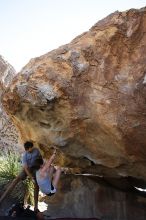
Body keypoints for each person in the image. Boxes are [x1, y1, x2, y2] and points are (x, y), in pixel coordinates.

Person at [0, 141, 42, 211]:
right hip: (27, 169)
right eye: (30, 148)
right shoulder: (24, 156)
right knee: (16, 180)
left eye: (32, 147)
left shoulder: (36, 150)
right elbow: (25, 168)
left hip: (35, 168)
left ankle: (36, 207)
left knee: (36, 185)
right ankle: (1, 200)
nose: (32, 149)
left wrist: (39, 166)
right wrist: (31, 177)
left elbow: (40, 158)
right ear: (27, 149)